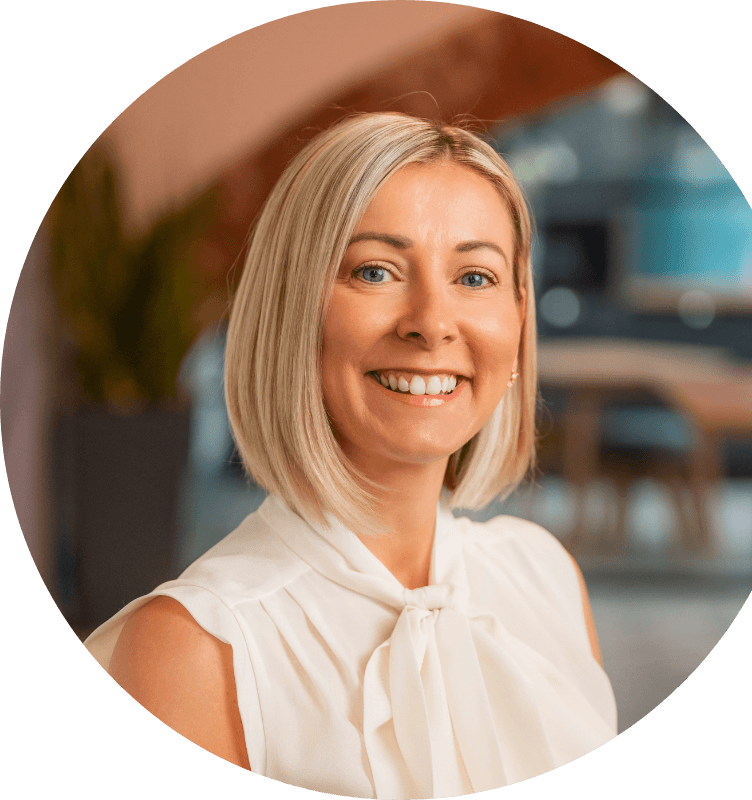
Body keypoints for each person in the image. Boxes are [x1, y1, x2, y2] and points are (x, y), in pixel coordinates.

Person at [85, 113, 617, 798]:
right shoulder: (196, 648)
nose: (432, 321)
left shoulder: (544, 575)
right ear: (292, 313)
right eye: (376, 270)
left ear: (519, 321)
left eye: (476, 277)